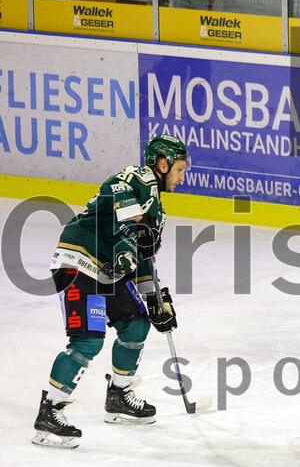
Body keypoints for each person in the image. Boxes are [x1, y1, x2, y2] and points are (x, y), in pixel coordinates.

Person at [32, 134, 187, 448]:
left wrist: (155, 299)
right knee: (88, 340)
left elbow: (144, 257)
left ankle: (118, 395)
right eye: (180, 169)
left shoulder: (158, 210)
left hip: (108, 271)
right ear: (163, 163)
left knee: (137, 323)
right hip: (79, 259)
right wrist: (138, 221)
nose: (182, 177)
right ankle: (49, 412)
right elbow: (114, 189)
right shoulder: (139, 178)